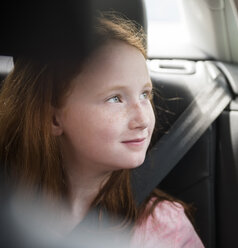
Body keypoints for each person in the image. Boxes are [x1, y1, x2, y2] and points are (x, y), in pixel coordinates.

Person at [0, 12, 204, 248]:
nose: (142, 119)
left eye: (144, 94)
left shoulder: (162, 229)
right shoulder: (10, 214)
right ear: (53, 119)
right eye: (115, 98)